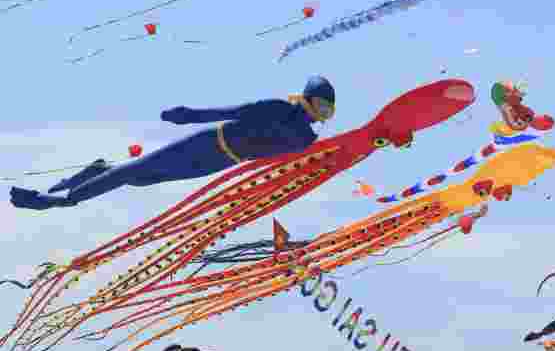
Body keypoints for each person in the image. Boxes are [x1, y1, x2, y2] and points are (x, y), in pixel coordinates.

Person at [10, 75, 336, 210]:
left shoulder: (305, 140)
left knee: (141, 178)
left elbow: (291, 167)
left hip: (219, 163)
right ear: (305, 100)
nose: (320, 114)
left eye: (327, 110)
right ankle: (62, 199)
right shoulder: (278, 108)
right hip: (206, 144)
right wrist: (189, 115)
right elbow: (234, 111)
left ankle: (99, 170)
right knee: (136, 170)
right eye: (320, 105)